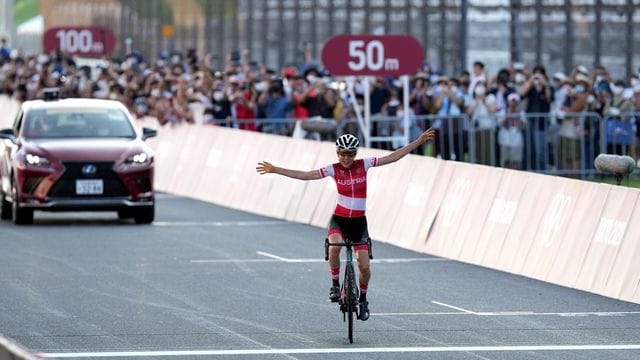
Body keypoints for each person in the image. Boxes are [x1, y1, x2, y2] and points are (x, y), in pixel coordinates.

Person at [256, 129, 436, 321]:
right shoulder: (333, 169)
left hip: (358, 222)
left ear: (355, 154)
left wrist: (418, 141)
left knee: (365, 267)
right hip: (340, 220)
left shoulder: (364, 165)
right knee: (334, 248)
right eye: (342, 154)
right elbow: (306, 175)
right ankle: (335, 284)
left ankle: (363, 300)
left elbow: (393, 157)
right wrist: (276, 169)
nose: (346, 158)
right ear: (337, 153)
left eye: (350, 154)